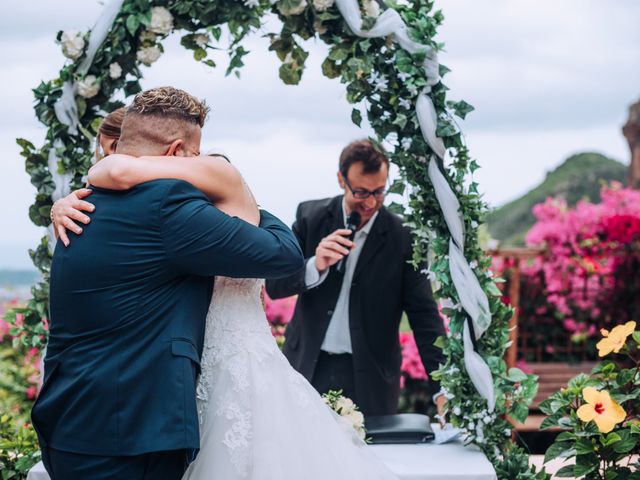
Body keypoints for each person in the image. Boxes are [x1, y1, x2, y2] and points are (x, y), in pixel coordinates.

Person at [51, 107, 401, 479]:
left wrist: (235, 191)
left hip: (209, 378)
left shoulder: (197, 196)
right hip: (177, 391)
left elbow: (118, 171)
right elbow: (118, 173)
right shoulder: (179, 206)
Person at [32, 86, 305, 480]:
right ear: (177, 153)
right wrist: (231, 184)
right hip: (131, 436)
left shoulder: (84, 202)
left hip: (69, 420)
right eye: (194, 157)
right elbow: (283, 254)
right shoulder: (167, 205)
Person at [266, 139, 447, 416]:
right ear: (341, 180)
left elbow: (424, 315)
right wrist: (316, 264)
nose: (371, 203)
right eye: (361, 193)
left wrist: (442, 388)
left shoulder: (404, 237)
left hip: (370, 378)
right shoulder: (309, 217)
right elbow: (276, 286)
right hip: (307, 366)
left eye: (379, 192)